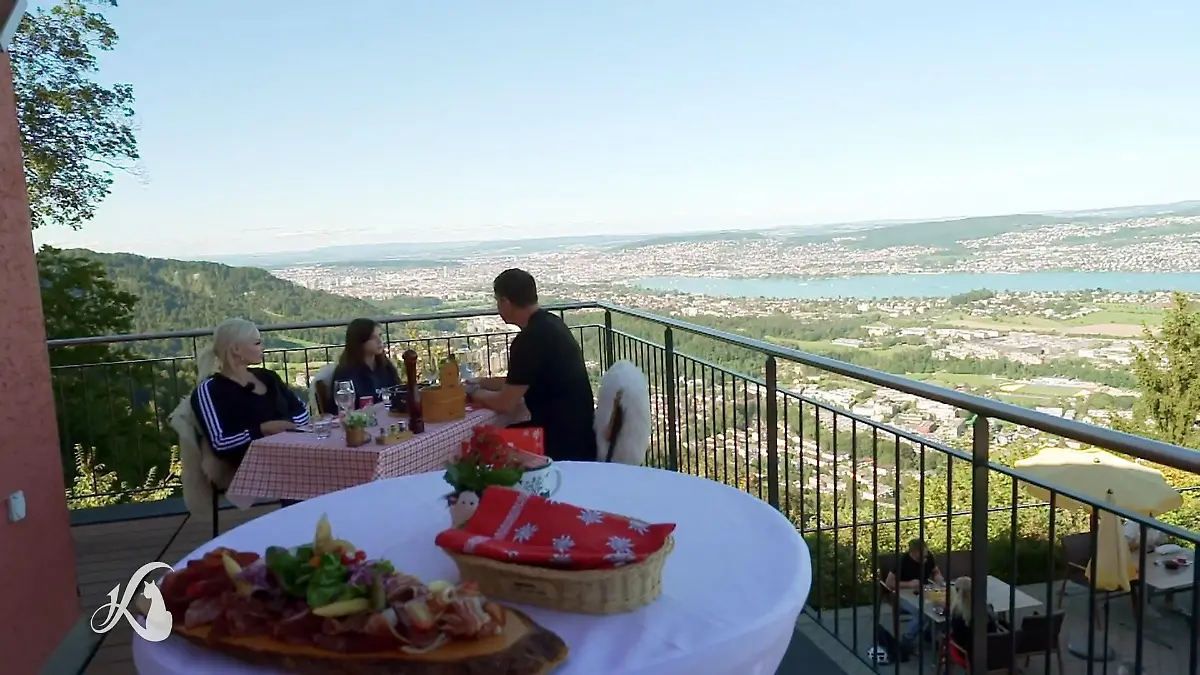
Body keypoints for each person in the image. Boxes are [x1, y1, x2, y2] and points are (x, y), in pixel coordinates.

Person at [467, 269, 598, 462]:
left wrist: (472, 393)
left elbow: (505, 403)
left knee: (481, 444)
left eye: (498, 301)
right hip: (581, 435)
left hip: (559, 443)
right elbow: (519, 381)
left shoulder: (529, 340)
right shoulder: (552, 324)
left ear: (506, 302)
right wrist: (480, 382)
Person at [191, 318, 310, 470]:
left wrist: (282, 426)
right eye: (257, 343)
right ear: (236, 349)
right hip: (254, 470)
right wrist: (262, 429)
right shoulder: (209, 390)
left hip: (293, 456)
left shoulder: (268, 377)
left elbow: (302, 412)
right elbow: (220, 443)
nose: (263, 348)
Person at [325, 318, 400, 412]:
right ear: (359, 342)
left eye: (380, 336)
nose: (380, 341)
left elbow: (398, 394)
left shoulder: (386, 367)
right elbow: (339, 410)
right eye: (373, 338)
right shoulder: (346, 373)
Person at [884, 538, 945, 645]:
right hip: (903, 595)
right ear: (913, 552)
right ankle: (907, 639)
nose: (925, 559)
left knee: (943, 608)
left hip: (924, 592)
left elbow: (935, 571)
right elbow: (889, 583)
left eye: (926, 555)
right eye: (921, 556)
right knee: (922, 613)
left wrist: (938, 577)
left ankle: (929, 634)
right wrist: (909, 584)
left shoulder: (928, 557)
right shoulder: (903, 561)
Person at [948, 577, 999, 661]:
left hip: (968, 655)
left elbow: (957, 636)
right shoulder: (986, 612)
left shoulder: (957, 614)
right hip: (991, 652)